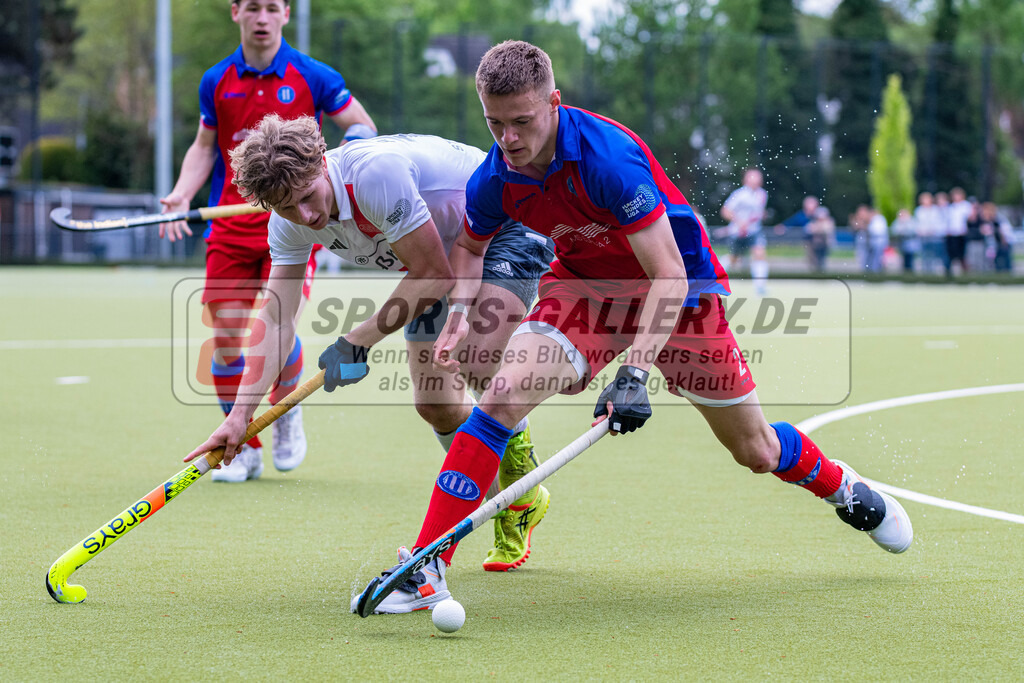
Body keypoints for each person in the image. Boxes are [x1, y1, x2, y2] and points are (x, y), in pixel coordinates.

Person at [354, 40, 914, 615]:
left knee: (756, 449)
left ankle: (844, 487)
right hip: (584, 294)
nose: (509, 139)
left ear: (554, 102)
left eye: (522, 122)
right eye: (495, 124)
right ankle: (426, 567)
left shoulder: (607, 160)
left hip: (679, 298)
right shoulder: (497, 176)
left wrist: (634, 373)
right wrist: (466, 315)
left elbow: (668, 275)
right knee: (500, 398)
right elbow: (470, 247)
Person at [184, 114, 557, 573]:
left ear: (322, 164)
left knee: (477, 357)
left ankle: (513, 499)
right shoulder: (287, 221)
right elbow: (278, 316)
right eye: (285, 208)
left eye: (306, 197)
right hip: (430, 257)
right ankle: (519, 493)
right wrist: (239, 415)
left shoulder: (374, 175)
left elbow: (435, 275)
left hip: (504, 225)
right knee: (436, 404)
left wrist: (355, 340)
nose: (306, 216)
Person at [160, 0, 377, 482]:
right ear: (236, 12)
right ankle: (245, 447)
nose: (263, 17)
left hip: (299, 224)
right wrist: (180, 194)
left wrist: (345, 158)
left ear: (284, 13)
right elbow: (202, 147)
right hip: (230, 234)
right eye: (253, 7)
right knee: (227, 341)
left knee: (274, 329)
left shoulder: (314, 75)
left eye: (272, 7)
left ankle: (284, 408)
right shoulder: (216, 81)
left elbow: (362, 125)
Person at [719, 168, 768, 274]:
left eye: (758, 176)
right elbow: (725, 211)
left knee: (759, 253)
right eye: (753, 176)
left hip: (754, 231)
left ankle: (760, 286)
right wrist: (740, 222)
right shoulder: (739, 194)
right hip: (737, 232)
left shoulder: (763, 194)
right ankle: (715, 274)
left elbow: (758, 212)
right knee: (734, 258)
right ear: (746, 179)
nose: (757, 179)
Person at [914, 192, 946, 275]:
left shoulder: (935, 210)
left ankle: (933, 273)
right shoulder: (919, 210)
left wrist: (933, 230)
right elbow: (917, 223)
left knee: (934, 256)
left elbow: (938, 222)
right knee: (924, 255)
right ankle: (925, 272)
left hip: (933, 236)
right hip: (923, 237)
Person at [945, 187, 972, 276]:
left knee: (962, 256)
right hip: (952, 234)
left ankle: (965, 273)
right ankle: (950, 274)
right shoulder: (950, 207)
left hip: (962, 234)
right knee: (951, 255)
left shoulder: (966, 206)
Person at [806, 206, 835, 273]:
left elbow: (827, 230)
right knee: (814, 261)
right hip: (815, 245)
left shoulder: (829, 222)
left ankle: (821, 273)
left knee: (822, 260)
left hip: (824, 245)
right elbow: (809, 230)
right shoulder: (813, 223)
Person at [891, 208, 920, 274]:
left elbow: (913, 230)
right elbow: (894, 230)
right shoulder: (898, 222)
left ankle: (910, 272)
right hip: (901, 244)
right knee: (902, 260)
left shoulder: (911, 221)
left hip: (910, 244)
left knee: (910, 259)